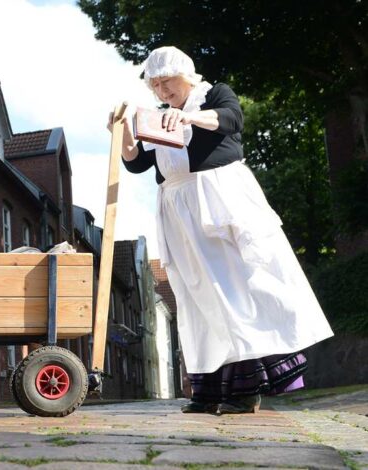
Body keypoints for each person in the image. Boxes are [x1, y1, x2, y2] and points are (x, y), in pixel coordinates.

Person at [110, 46, 333, 414]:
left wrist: (188, 120)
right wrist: (123, 135)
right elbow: (137, 165)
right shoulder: (158, 118)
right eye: (156, 86)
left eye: (168, 83)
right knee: (198, 298)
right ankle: (209, 390)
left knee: (231, 289)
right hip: (178, 211)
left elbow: (231, 119)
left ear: (186, 75)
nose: (163, 93)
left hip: (217, 201)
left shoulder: (213, 95)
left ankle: (246, 390)